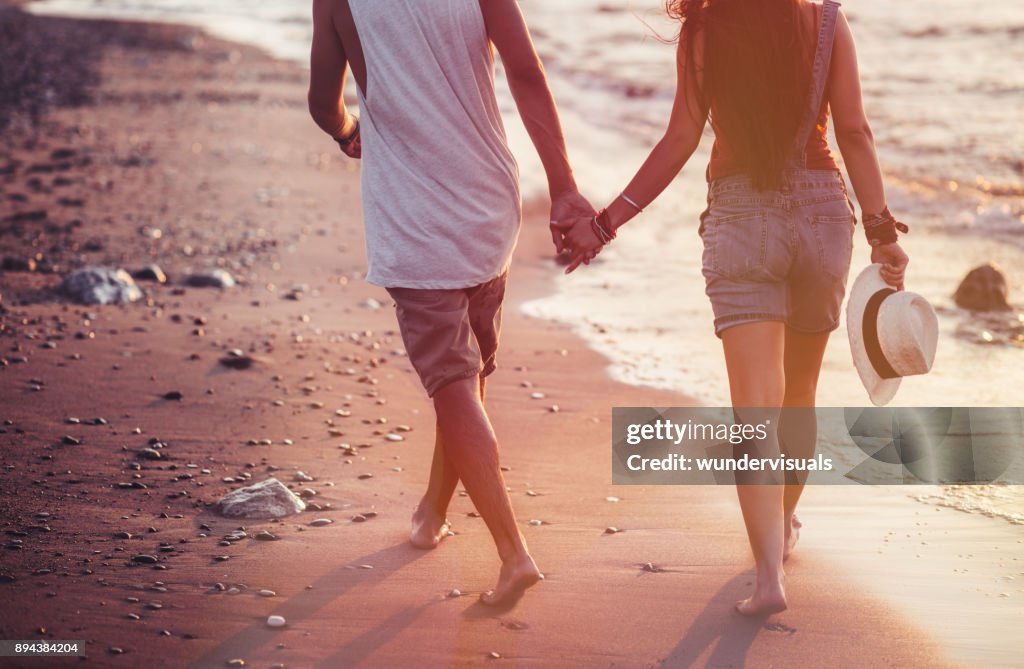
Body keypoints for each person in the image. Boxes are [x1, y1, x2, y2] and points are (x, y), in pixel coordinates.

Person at [556, 0, 910, 615]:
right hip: (824, 219)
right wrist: (883, 233)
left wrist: (606, 223)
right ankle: (787, 519)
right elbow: (855, 131)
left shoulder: (705, 29)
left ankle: (769, 576)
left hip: (743, 221)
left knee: (754, 412)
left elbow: (680, 141)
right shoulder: (827, 21)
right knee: (798, 395)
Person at [307, 0, 593, 606]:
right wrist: (564, 187)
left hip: (413, 216)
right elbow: (527, 73)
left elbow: (321, 103)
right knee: (467, 374)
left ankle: (514, 555)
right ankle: (434, 509)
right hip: (489, 203)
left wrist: (349, 131)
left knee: (453, 382)